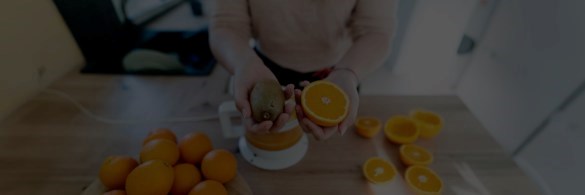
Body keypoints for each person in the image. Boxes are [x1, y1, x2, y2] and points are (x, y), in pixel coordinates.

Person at [209, 0, 395, 140]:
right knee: (273, 139)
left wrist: (348, 72)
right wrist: (244, 64)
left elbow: (376, 30)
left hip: (341, 73)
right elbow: (227, 24)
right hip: (262, 69)